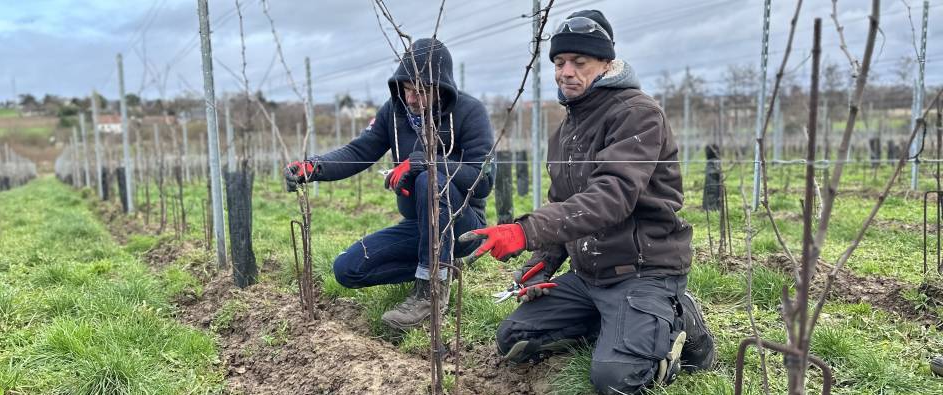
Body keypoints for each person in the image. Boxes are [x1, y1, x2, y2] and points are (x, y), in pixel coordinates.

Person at [458, 10, 716, 394]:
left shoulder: (638, 113)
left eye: (579, 62)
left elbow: (611, 196)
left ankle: (680, 319)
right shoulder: (565, 130)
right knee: (515, 339)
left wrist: (524, 230)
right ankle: (623, 324)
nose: (566, 72)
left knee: (614, 379)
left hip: (643, 271)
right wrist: (542, 263)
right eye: (560, 63)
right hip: (589, 275)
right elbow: (565, 201)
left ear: (607, 64)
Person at [284, 38, 494, 330]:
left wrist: (426, 161)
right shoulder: (394, 113)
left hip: (461, 225)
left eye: (421, 91)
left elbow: (483, 181)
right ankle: (445, 267)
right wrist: (313, 167)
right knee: (347, 269)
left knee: (428, 179)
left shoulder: (470, 113)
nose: (411, 99)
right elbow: (360, 151)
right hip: (420, 225)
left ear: (441, 89)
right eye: (407, 89)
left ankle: (430, 291)